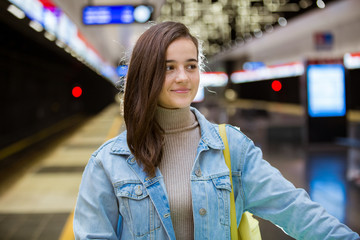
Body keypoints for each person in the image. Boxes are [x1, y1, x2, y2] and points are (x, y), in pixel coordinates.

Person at [73, 21, 359, 240]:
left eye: (191, 65)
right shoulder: (108, 163)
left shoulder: (231, 148)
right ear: (146, 74)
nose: (183, 77)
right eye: (168, 67)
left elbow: (296, 209)